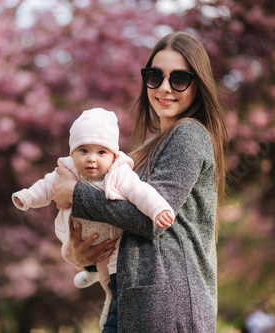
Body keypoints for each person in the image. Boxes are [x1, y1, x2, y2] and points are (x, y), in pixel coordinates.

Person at [53, 31, 227, 332]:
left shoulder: (189, 134)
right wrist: (87, 259)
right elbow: (124, 228)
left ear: (198, 85)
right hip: (135, 300)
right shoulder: (148, 148)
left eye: (179, 79)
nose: (164, 88)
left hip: (168, 305)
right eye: (155, 76)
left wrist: (75, 194)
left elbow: (152, 220)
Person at [11, 107, 175, 328]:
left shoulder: (119, 174)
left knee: (110, 282)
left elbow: (141, 193)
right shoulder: (67, 170)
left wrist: (158, 209)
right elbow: (46, 187)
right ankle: (89, 273)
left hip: (111, 243)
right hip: (75, 236)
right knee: (70, 252)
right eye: (84, 150)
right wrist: (28, 197)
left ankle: (107, 304)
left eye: (101, 153)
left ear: (113, 155)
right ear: (72, 152)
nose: (91, 159)